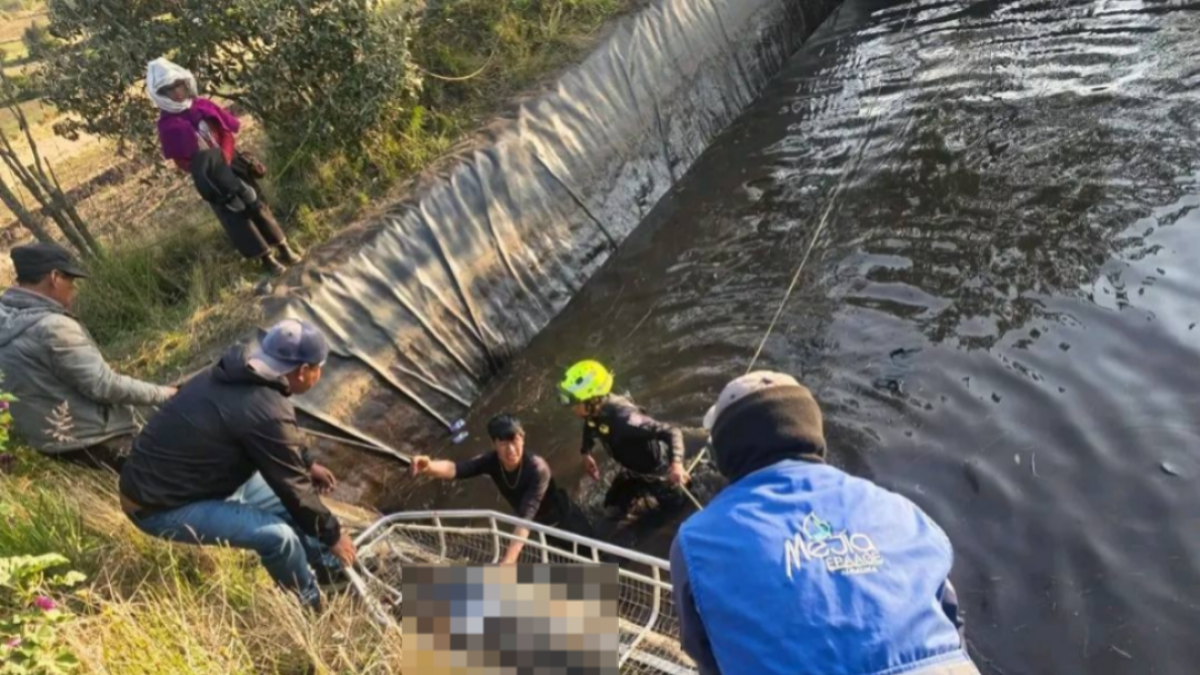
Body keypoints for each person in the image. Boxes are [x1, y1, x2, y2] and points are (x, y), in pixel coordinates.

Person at [670, 371, 978, 675]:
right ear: (812, 431)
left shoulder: (695, 540)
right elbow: (951, 620)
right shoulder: (904, 512)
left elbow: (702, 651)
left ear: (724, 450)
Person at [119, 319, 356, 609]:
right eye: (319, 367)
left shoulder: (237, 372)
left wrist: (307, 463)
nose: (320, 374)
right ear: (304, 371)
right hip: (158, 505)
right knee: (279, 536)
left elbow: (279, 442)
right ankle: (310, 603)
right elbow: (293, 486)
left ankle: (332, 569)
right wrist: (334, 535)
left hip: (181, 480)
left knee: (291, 504)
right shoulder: (265, 407)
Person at [0, 243, 176, 468]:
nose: (74, 290)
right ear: (54, 277)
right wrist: (164, 394)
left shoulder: (6, 320)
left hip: (49, 445)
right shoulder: (52, 327)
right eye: (71, 282)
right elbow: (103, 385)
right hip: (97, 439)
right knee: (181, 463)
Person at [146, 57, 302, 275]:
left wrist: (225, 160)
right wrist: (205, 169)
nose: (176, 92)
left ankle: (283, 247)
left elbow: (226, 133)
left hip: (232, 162)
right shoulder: (167, 126)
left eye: (178, 85)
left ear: (185, 82)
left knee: (255, 203)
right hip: (210, 177)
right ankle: (266, 259)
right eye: (169, 89)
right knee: (235, 217)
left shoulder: (203, 105)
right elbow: (181, 160)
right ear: (160, 94)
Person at [410, 414, 597, 563]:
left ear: (522, 439)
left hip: (566, 521)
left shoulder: (538, 469)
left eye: (514, 441)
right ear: (494, 445)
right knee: (565, 562)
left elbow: (525, 519)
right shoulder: (492, 461)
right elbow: (457, 469)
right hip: (542, 528)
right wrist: (429, 467)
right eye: (503, 443)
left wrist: (508, 560)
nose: (511, 450)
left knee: (593, 557)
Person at [559, 360, 691, 522]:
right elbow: (590, 426)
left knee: (677, 511)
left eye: (575, 404)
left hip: (657, 473)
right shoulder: (593, 413)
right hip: (631, 470)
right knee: (611, 508)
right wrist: (586, 452)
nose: (572, 408)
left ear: (591, 400)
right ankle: (638, 498)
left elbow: (671, 432)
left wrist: (676, 464)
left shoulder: (625, 419)